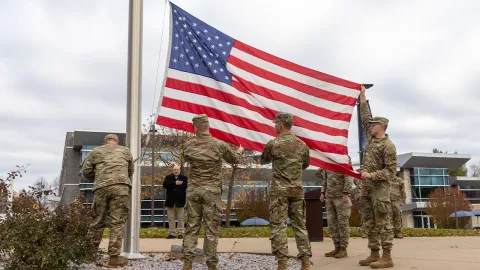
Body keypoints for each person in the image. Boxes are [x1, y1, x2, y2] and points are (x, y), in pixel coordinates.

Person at [181, 114, 243, 270]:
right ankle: (211, 265)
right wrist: (240, 150)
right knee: (211, 229)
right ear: (208, 126)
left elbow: (186, 157)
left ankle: (188, 263)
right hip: (212, 192)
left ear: (195, 128)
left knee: (191, 227)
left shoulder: (188, 145)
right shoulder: (219, 145)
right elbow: (234, 159)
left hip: (194, 191)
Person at [260, 112, 312, 270]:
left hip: (279, 192)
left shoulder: (273, 144)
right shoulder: (302, 145)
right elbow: (305, 164)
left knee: (279, 226)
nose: (274, 126)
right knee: (300, 226)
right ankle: (305, 263)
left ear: (281, 125)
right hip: (296, 190)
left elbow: (264, 160)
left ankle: (282, 264)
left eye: (275, 123)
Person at [358, 85, 397, 269]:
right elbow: (364, 117)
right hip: (366, 187)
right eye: (371, 124)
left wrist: (371, 175)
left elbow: (390, 172)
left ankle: (387, 257)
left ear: (381, 126)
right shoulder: (371, 138)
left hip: (380, 189)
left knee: (383, 222)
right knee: (369, 221)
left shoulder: (388, 146)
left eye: (374, 124)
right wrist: (362, 96)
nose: (370, 126)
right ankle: (374, 254)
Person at [81, 134, 133, 267]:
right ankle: (113, 259)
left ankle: (89, 256)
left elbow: (86, 171)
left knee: (97, 221)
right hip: (121, 188)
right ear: (117, 142)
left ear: (105, 142)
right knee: (117, 223)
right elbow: (130, 171)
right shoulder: (125, 151)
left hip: (101, 188)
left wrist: (99, 177)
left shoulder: (96, 151)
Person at [317, 157, 354, 259]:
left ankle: (343, 249)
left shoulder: (343, 160)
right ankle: (337, 247)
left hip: (341, 198)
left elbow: (349, 176)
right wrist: (322, 192)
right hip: (329, 197)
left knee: (342, 224)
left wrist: (346, 193)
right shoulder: (328, 163)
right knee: (332, 224)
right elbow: (325, 179)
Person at [163, 164, 188, 239]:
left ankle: (181, 233)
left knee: (181, 218)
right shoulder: (168, 177)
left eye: (177, 170)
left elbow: (187, 186)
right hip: (170, 202)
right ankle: (172, 233)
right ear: (173, 170)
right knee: (171, 218)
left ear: (180, 170)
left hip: (180, 201)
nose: (176, 171)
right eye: (175, 170)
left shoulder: (184, 178)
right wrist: (175, 183)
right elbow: (165, 185)